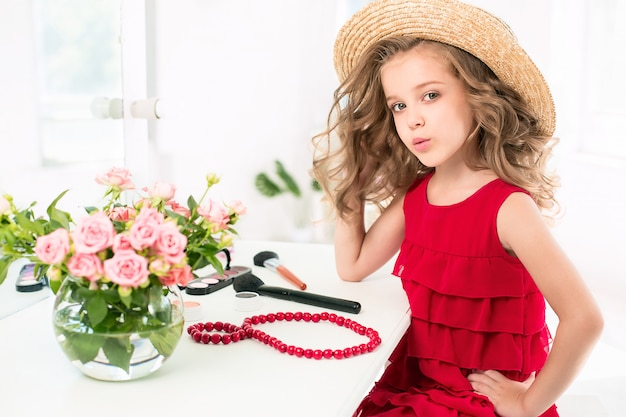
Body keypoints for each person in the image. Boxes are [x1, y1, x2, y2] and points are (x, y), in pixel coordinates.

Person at [311, 0, 604, 416]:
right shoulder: (418, 195)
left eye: (429, 95)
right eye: (399, 105)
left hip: (480, 402)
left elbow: (585, 319)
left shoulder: (508, 208)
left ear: (479, 97)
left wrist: (528, 404)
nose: (412, 119)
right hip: (418, 391)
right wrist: (354, 180)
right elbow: (353, 265)